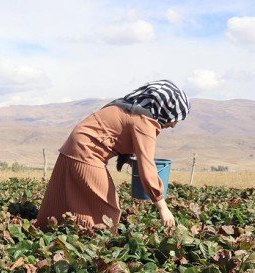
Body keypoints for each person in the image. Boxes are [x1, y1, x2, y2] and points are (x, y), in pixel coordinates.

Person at [36, 80, 190, 230]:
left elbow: (112, 133)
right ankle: (97, 244)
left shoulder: (127, 107)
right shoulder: (144, 122)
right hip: (87, 153)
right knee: (108, 211)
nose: (173, 124)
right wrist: (162, 207)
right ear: (165, 109)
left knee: (62, 199)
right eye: (175, 118)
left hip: (73, 147)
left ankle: (50, 231)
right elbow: (147, 166)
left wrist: (128, 159)